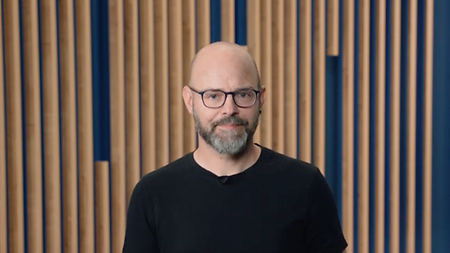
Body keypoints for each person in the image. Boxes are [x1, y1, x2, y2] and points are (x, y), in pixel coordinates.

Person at [122, 41, 347, 253]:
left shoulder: (306, 185)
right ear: (189, 101)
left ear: (261, 98)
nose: (229, 109)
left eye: (243, 94)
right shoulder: (152, 194)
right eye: (213, 95)